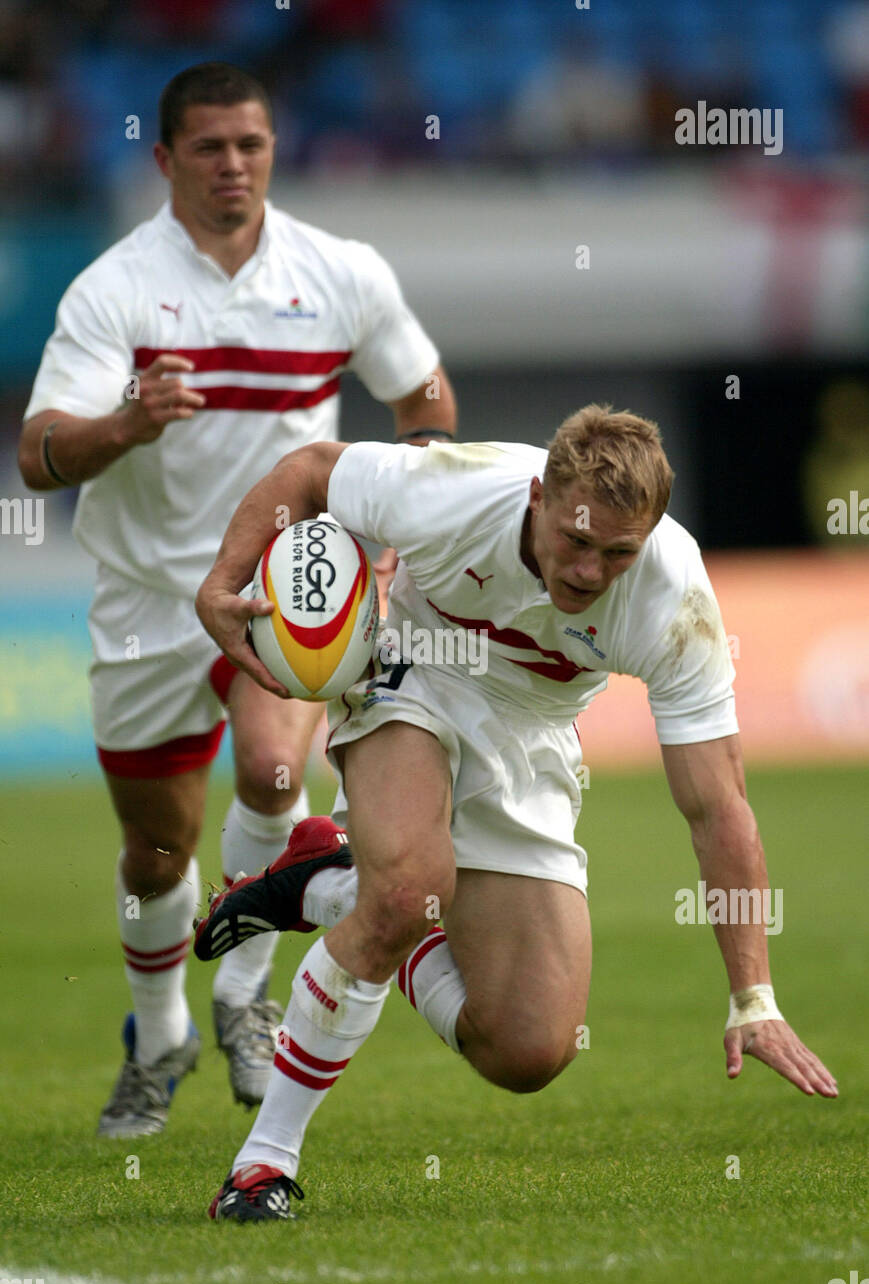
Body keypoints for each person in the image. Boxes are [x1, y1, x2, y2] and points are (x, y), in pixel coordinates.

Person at [192, 404, 838, 1222]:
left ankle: (328, 881)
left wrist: (755, 998)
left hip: (531, 734)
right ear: (538, 496)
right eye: (576, 541)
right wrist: (222, 582)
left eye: (617, 553)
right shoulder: (455, 492)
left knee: (529, 1048)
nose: (591, 572)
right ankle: (262, 1167)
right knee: (405, 890)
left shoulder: (673, 598)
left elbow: (717, 807)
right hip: (412, 668)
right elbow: (311, 469)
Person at [17, 62, 456, 1138]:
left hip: (281, 580)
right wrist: (123, 423)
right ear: (165, 160)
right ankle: (160, 1030)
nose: (233, 165)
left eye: (250, 145)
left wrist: (403, 505)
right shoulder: (112, 290)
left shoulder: (338, 271)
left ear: (273, 148)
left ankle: (240, 992)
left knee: (271, 770)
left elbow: (424, 394)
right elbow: (36, 454)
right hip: (150, 602)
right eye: (208, 148)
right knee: (156, 854)